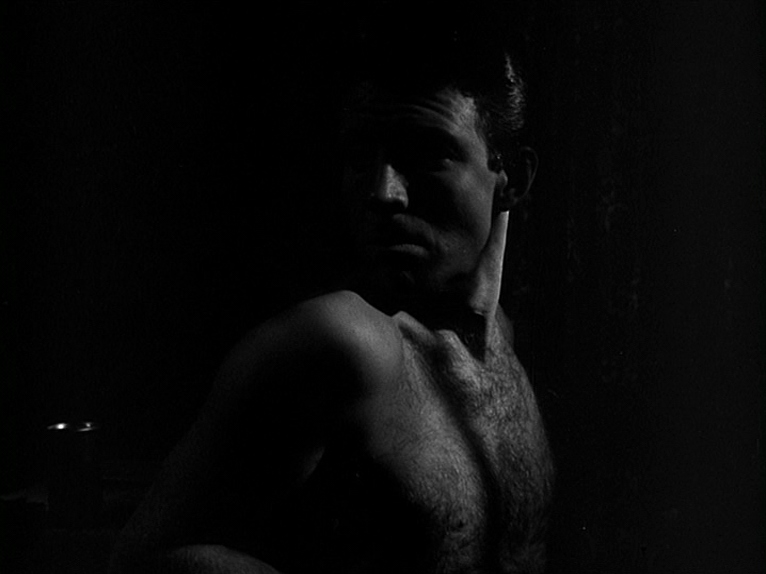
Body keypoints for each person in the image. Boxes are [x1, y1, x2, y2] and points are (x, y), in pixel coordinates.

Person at [110, 9, 554, 574]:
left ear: (513, 178)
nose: (383, 193)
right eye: (361, 156)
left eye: (424, 154)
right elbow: (146, 559)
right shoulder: (341, 344)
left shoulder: (514, 349)